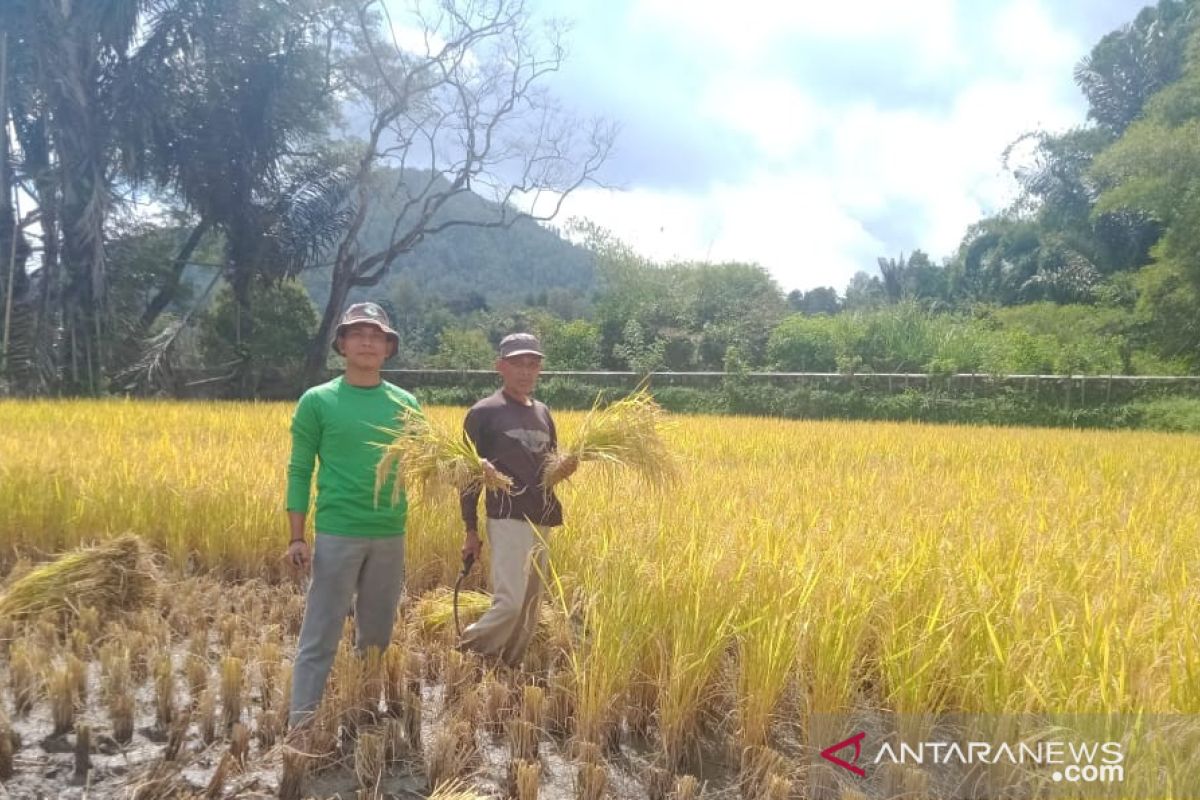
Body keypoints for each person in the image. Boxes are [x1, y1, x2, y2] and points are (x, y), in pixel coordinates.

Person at [285, 301, 419, 729]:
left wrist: (475, 468)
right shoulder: (317, 401)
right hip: (338, 533)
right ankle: (301, 725)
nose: (367, 341)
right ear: (342, 344)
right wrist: (296, 536)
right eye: (358, 333)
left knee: (376, 637)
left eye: (377, 335)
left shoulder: (406, 404)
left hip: (389, 533)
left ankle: (362, 714)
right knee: (320, 633)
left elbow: (430, 460)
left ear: (388, 348)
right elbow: (299, 470)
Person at [458, 332, 577, 667]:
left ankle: (507, 667)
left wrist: (565, 469)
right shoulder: (484, 412)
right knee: (509, 602)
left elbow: (547, 469)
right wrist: (470, 530)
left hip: (541, 517)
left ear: (539, 369)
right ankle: (467, 652)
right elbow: (466, 475)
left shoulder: (543, 412)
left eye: (532, 364)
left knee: (529, 605)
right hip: (507, 516)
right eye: (517, 364)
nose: (525, 371)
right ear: (501, 367)